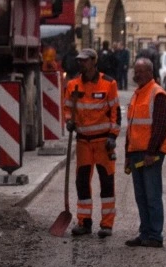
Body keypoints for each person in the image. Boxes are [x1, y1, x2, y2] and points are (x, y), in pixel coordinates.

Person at [63, 48, 121, 238]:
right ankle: (84, 222)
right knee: (82, 182)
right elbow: (67, 108)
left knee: (106, 183)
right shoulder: (73, 85)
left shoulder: (109, 83)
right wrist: (68, 121)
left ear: (94, 62)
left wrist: (113, 135)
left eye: (85, 60)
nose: (81, 63)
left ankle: (106, 225)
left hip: (103, 142)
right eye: (79, 60)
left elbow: (116, 112)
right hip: (83, 142)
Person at [124, 58, 166, 248]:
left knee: (152, 195)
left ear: (151, 72)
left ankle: (155, 236)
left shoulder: (157, 93)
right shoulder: (137, 94)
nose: (138, 74)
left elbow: (160, 126)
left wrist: (151, 152)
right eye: (136, 71)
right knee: (141, 196)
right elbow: (132, 127)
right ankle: (145, 233)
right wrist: (127, 154)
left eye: (142, 71)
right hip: (136, 153)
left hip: (150, 154)